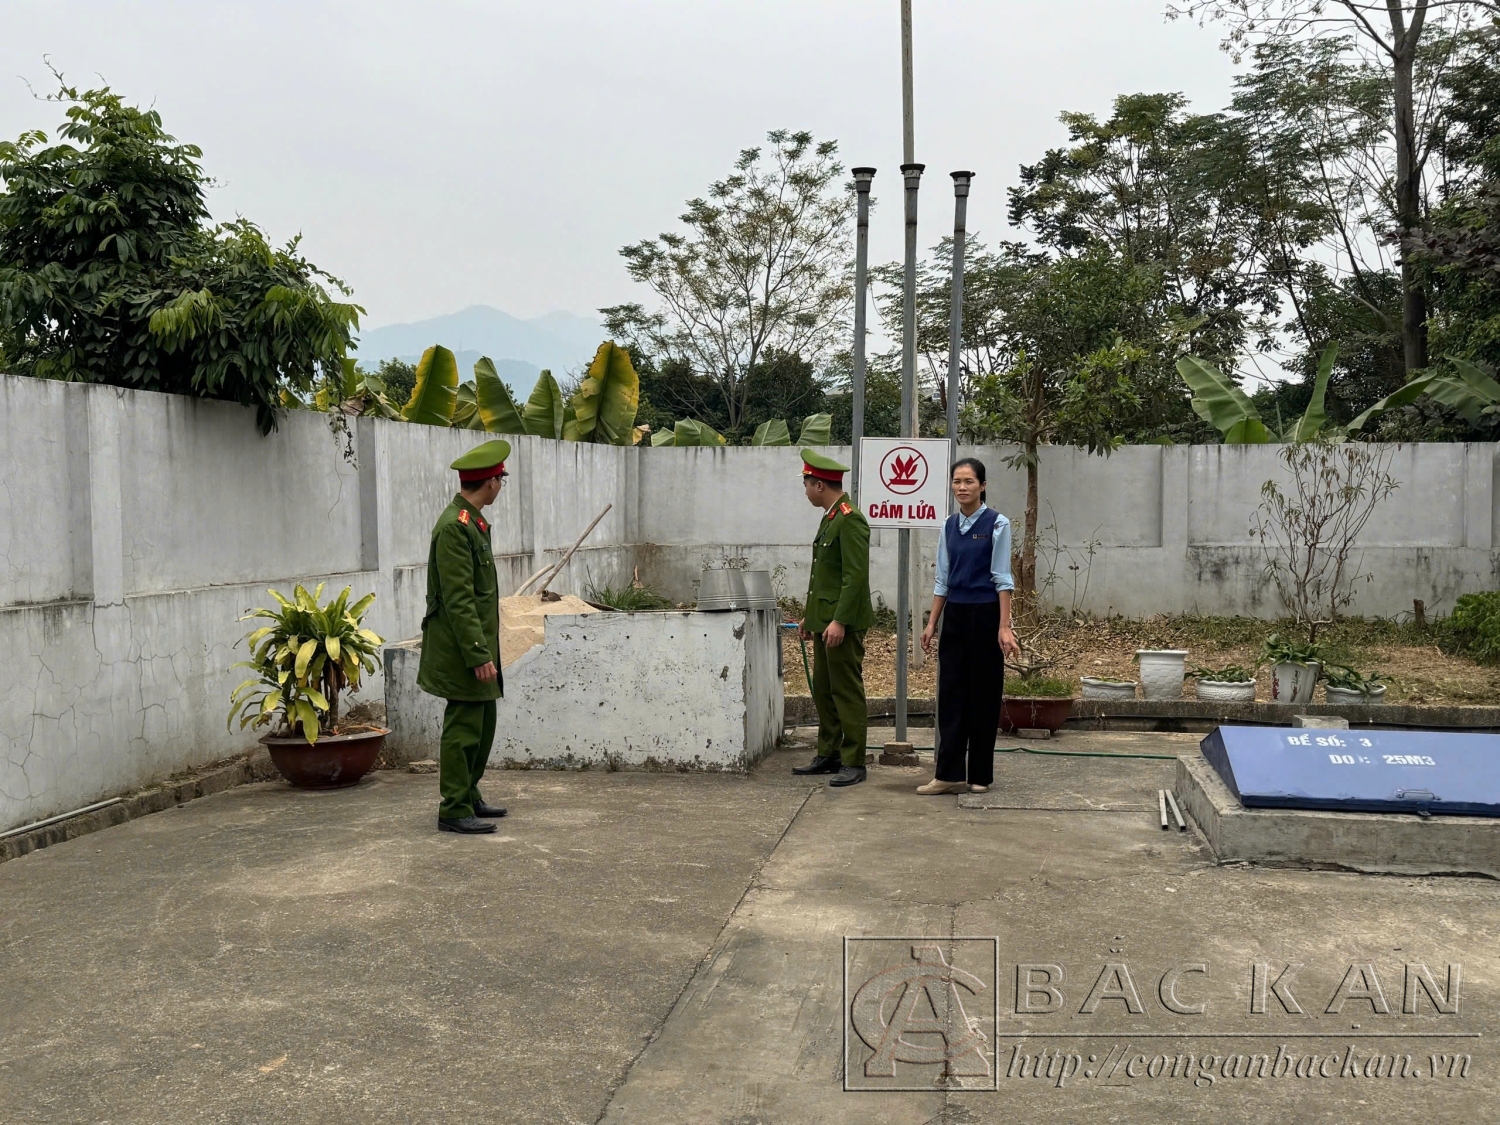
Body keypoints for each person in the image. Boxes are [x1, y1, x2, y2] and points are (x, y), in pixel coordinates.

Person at [417, 439, 512, 834]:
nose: (501, 486)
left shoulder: (472, 523)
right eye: (500, 479)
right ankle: (453, 808)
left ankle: (468, 793)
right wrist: (477, 654)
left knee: (483, 721)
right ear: (489, 483)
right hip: (461, 649)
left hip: (477, 644)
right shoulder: (455, 529)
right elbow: (459, 600)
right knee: (464, 727)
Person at [916, 458, 1021, 795]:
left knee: (984, 695)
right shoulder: (948, 525)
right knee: (951, 694)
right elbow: (943, 579)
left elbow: (1003, 579)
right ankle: (948, 774)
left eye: (969, 481)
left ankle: (980, 775)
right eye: (957, 481)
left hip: (986, 613)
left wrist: (1004, 627)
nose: (962, 487)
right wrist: (932, 623)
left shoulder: (997, 524)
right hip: (956, 617)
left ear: (983, 486)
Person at [791, 448, 875, 788]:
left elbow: (854, 577)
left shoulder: (850, 518)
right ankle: (830, 753)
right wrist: (811, 620)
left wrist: (839, 620)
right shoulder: (831, 518)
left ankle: (854, 760)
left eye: (807, 484)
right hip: (825, 622)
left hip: (843, 623)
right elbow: (823, 578)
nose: (806, 490)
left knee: (846, 691)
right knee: (824, 690)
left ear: (820, 485)